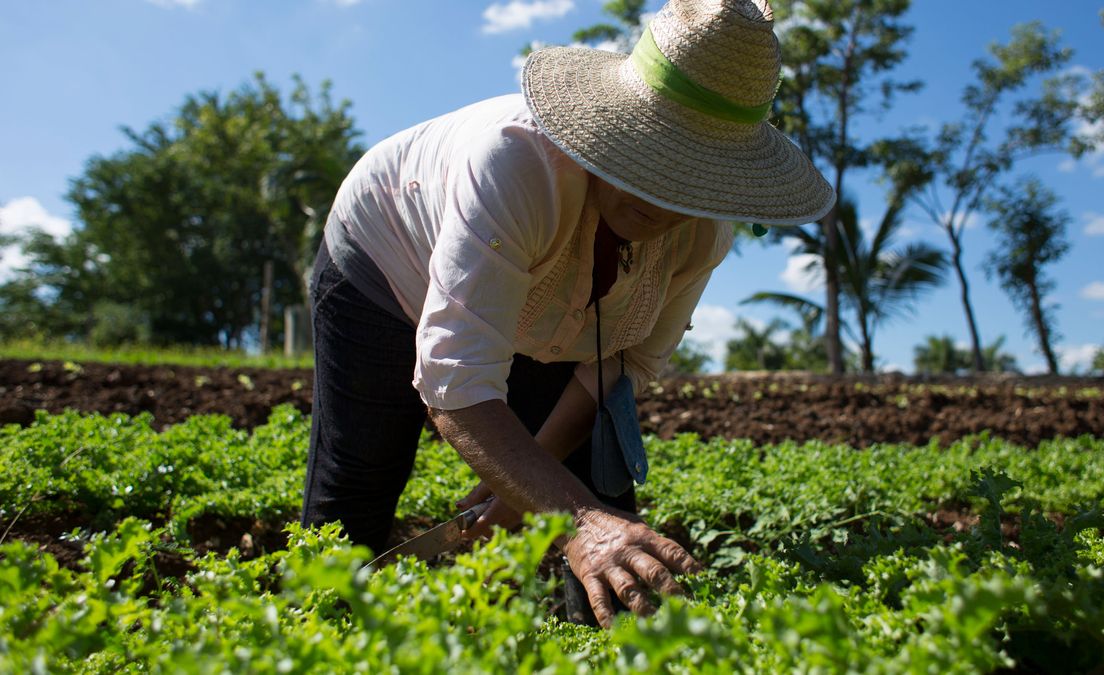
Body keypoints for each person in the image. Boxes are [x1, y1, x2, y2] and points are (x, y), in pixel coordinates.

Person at [301, 0, 833, 628]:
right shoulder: (517, 166)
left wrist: (529, 491)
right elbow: (455, 382)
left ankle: (614, 647)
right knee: (361, 478)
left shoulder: (703, 237)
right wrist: (577, 522)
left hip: (541, 310)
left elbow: (622, 362)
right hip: (385, 258)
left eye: (690, 175)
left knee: (598, 498)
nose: (660, 196)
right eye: (649, 153)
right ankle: (317, 631)